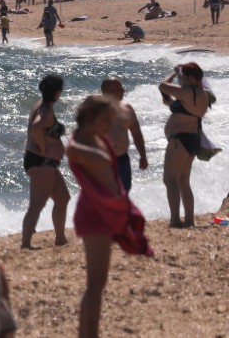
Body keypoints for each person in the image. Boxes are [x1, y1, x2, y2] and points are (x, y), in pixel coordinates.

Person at [66, 94, 153, 338]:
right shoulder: (80, 143)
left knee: (97, 284)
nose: (110, 125)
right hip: (96, 214)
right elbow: (75, 152)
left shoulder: (93, 138)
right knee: (95, 285)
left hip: (105, 211)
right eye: (107, 120)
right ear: (92, 117)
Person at [158, 62, 213, 228]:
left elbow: (162, 85)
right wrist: (170, 102)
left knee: (170, 180)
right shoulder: (201, 94)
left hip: (179, 140)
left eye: (182, 78)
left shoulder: (188, 92)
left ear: (190, 77)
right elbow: (182, 108)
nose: (180, 81)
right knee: (183, 181)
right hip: (192, 139)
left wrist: (173, 73)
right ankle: (189, 220)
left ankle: (175, 220)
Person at [21, 74, 69, 249]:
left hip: (45, 163)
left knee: (63, 197)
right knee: (36, 204)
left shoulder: (42, 106)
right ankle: (25, 243)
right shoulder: (46, 111)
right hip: (41, 161)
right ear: (57, 93)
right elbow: (36, 127)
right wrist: (42, 148)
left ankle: (61, 238)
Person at [100, 77, 147, 192]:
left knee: (123, 193)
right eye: (119, 89)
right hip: (102, 161)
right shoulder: (95, 110)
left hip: (122, 159)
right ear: (108, 91)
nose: (123, 91)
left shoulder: (127, 109)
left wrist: (143, 156)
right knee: (105, 195)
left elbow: (136, 133)